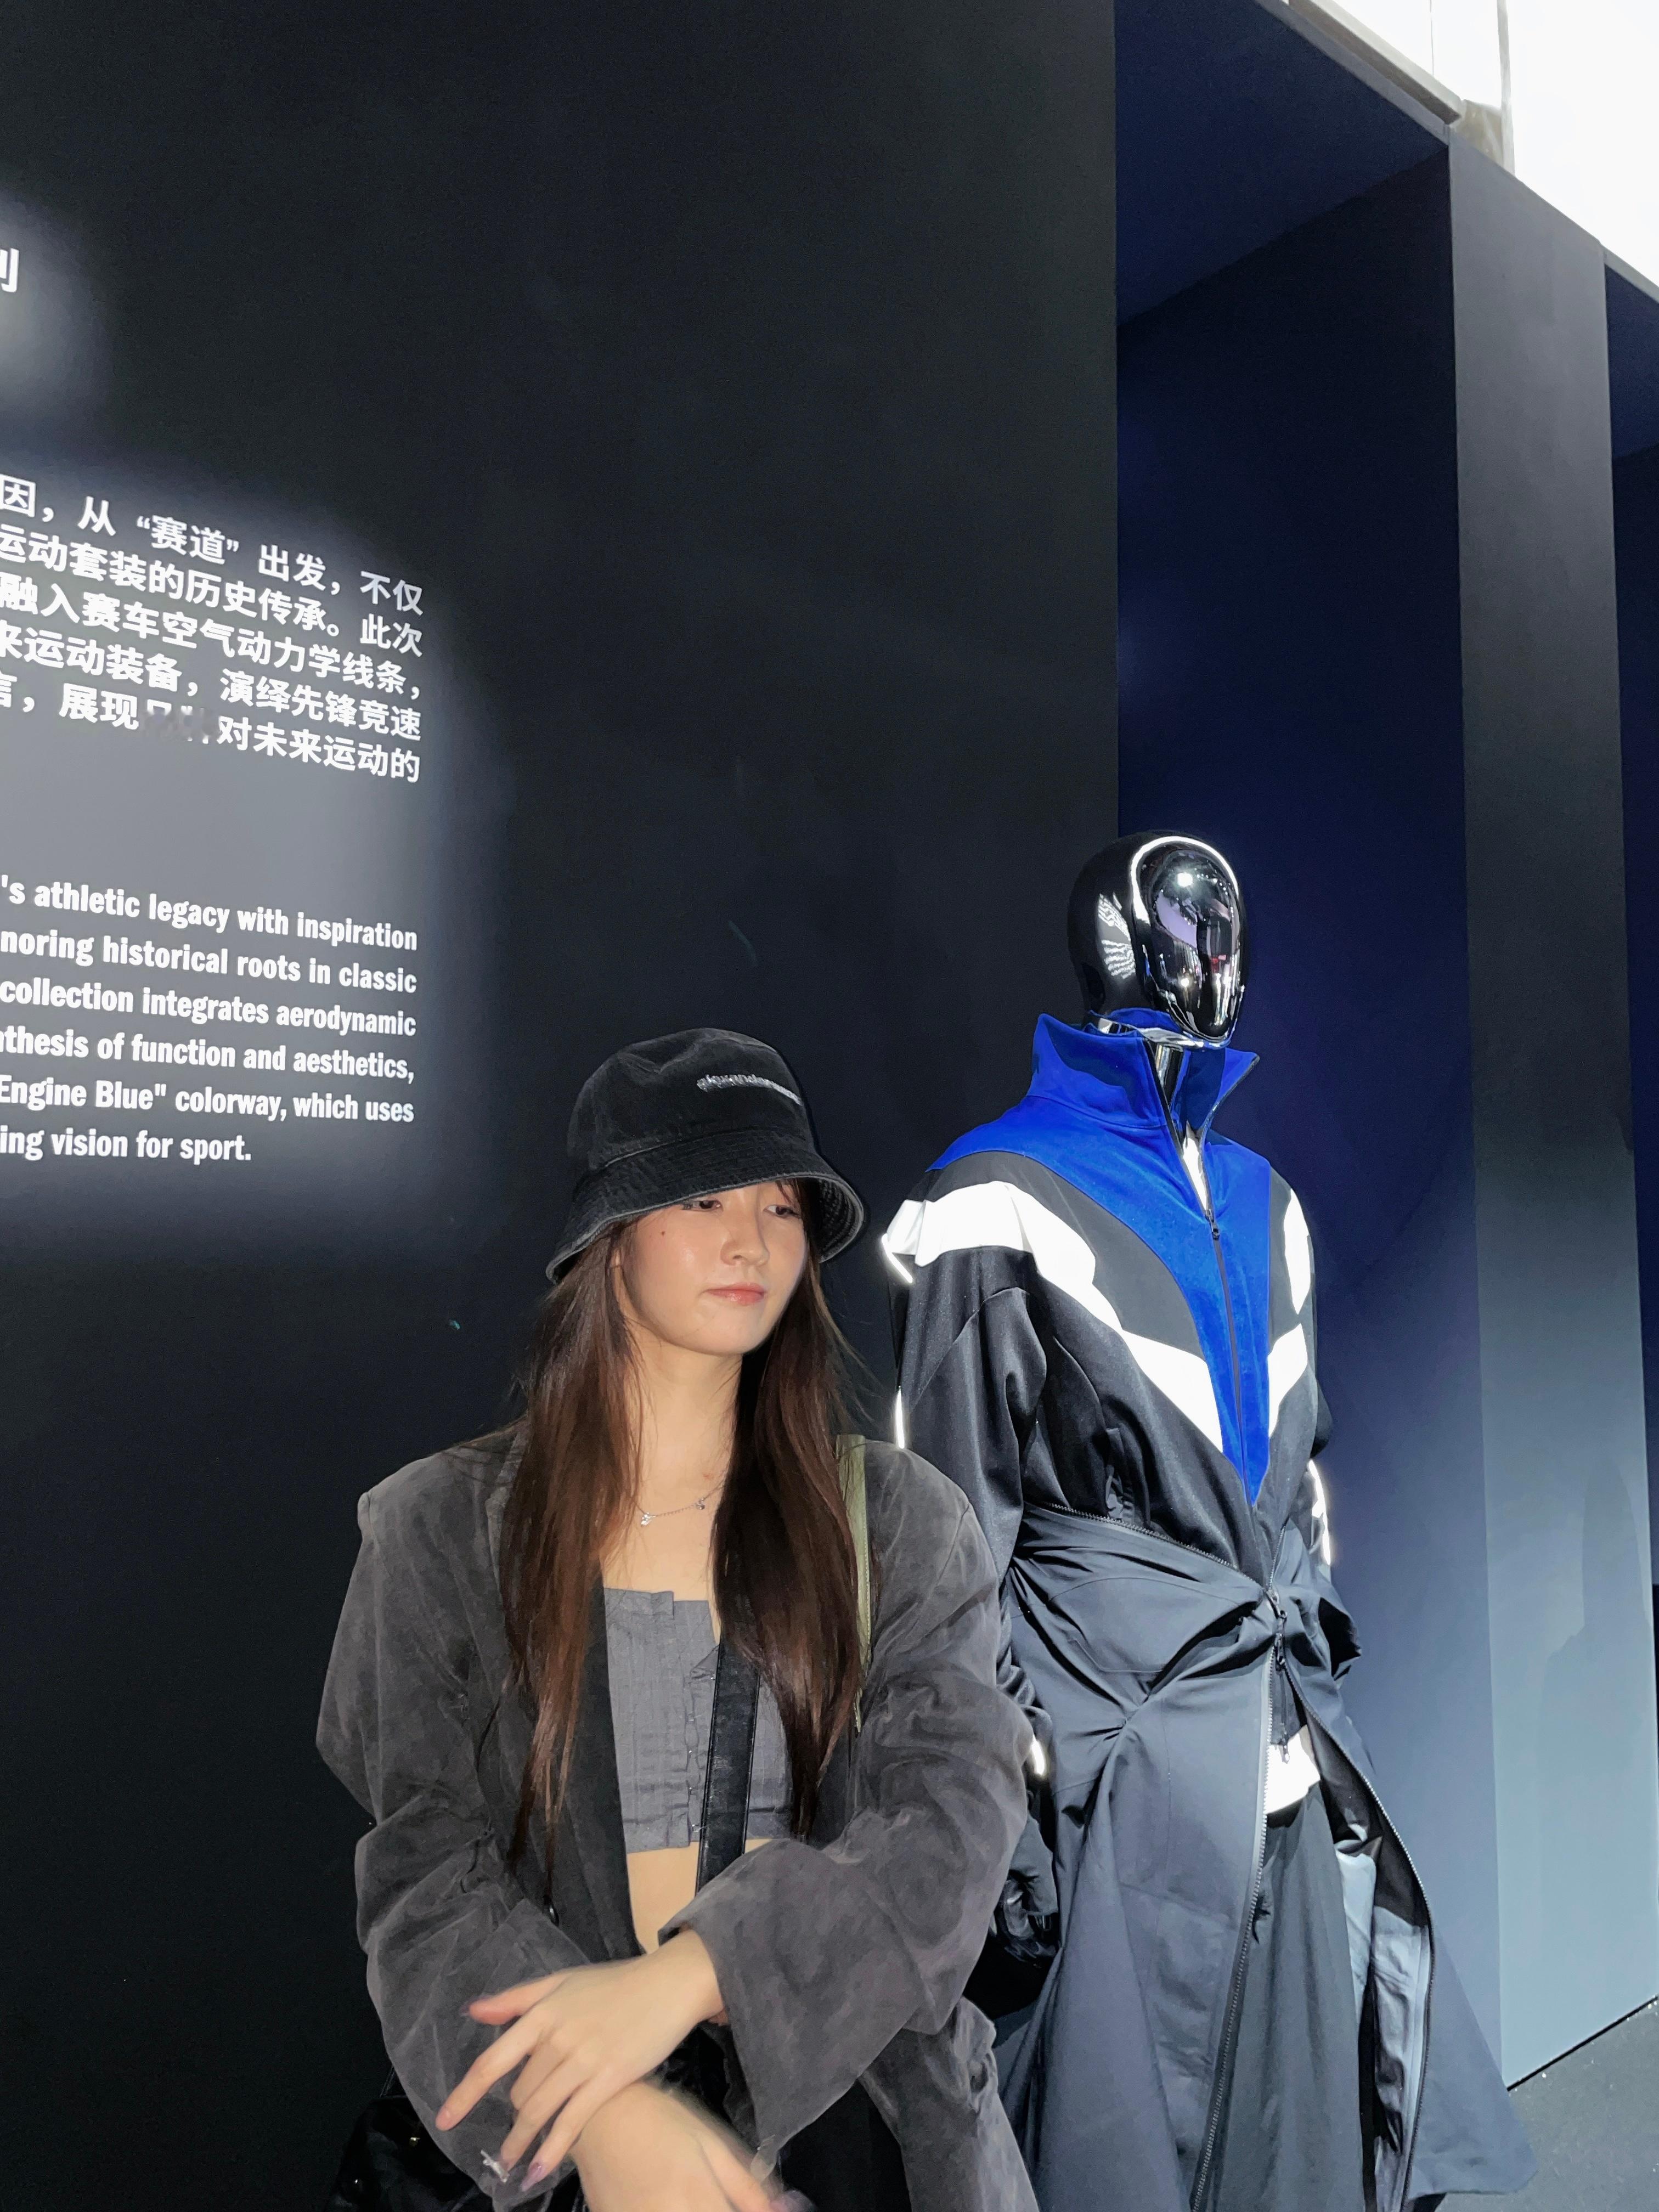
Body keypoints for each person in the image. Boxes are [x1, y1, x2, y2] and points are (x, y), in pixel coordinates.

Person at [318, 1028, 1034, 2212]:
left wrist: (692, 1978)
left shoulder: (901, 1520)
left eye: (781, 1206)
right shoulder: (438, 1529)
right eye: (703, 1199)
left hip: (862, 2138)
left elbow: (951, 1825)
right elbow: (425, 1874)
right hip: (565, 2138)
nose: (751, 1241)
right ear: (607, 1240)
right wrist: (597, 2111)